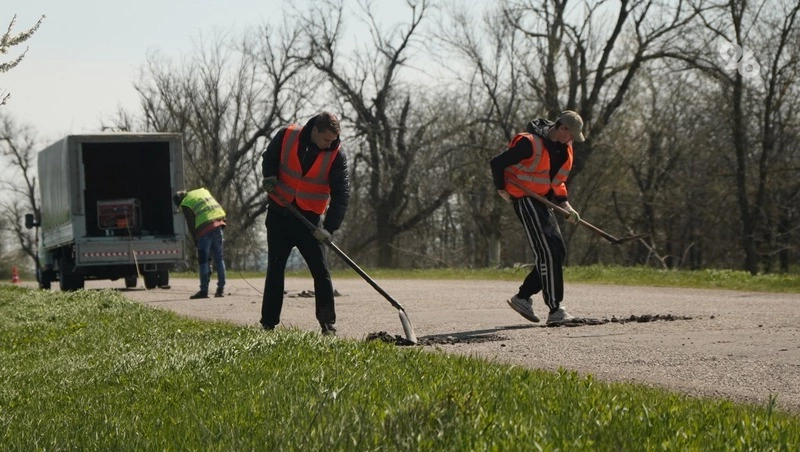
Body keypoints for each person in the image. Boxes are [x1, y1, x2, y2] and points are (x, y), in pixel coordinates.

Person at [489, 110, 585, 324]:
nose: (572, 140)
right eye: (570, 135)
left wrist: (566, 206)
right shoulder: (529, 143)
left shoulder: (565, 149)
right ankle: (555, 309)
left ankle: (523, 297)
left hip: (544, 202)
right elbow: (497, 163)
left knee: (557, 252)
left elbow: (557, 182)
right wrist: (502, 191)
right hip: (525, 199)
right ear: (562, 128)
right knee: (547, 252)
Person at [260, 111, 350, 336]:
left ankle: (327, 323)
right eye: (326, 139)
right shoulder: (286, 136)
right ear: (315, 131)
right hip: (280, 213)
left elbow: (342, 194)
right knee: (275, 268)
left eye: (333, 140)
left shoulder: (336, 156)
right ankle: (268, 324)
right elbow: (269, 158)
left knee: (321, 271)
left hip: (309, 222)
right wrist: (269, 176)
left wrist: (329, 228)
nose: (330, 144)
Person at [173, 188, 227, 299]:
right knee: (219, 258)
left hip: (203, 230)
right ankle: (220, 290)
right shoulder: (202, 192)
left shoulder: (186, 202)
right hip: (218, 224)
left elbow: (191, 223)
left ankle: (204, 291)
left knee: (203, 261)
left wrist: (195, 240)